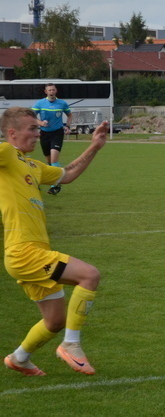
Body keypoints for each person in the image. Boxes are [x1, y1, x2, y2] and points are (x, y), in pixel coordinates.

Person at [2, 108, 109, 376]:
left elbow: (67, 174)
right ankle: (71, 345)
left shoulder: (31, 165)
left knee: (55, 320)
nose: (38, 135)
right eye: (32, 129)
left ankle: (19, 358)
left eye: (38, 130)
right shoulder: (5, 152)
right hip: (23, 252)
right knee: (89, 275)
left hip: (35, 251)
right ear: (12, 133)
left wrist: (94, 147)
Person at [31, 83, 73, 196]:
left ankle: (56, 185)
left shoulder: (62, 103)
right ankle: (52, 179)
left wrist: (67, 126)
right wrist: (41, 123)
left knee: (54, 159)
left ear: (56, 90)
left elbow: (69, 115)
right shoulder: (40, 103)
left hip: (57, 133)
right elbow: (31, 116)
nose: (52, 92)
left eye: (53, 90)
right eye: (49, 90)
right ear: (46, 92)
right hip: (44, 134)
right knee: (49, 162)